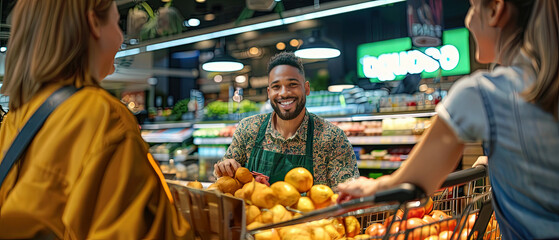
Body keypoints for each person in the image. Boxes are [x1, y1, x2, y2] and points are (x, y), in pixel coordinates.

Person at [338, 0, 559, 238]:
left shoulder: (481, 93)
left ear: (495, 10)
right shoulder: (544, 85)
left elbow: (410, 183)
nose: (469, 19)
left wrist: (368, 188)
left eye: (473, 7)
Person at [0, 0, 192, 239]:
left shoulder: (16, 118)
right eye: (116, 22)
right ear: (93, 23)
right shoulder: (105, 117)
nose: (121, 38)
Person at [214, 52, 360, 187]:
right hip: (256, 215)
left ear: (306, 88)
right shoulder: (248, 128)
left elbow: (347, 198)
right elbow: (226, 180)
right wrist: (224, 167)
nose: (284, 93)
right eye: (276, 87)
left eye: (293, 84)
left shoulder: (332, 138)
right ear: (269, 92)